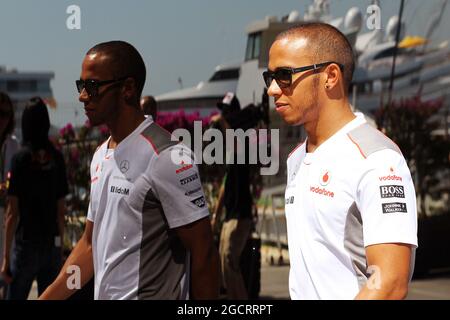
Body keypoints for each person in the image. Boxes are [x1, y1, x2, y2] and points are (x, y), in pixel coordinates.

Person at [39, 41, 219, 300]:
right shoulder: (101, 154)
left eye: (92, 86)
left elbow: (204, 254)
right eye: (81, 86)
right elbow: (90, 245)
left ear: (128, 88)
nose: (82, 96)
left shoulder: (168, 157)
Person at [264, 23, 418, 299]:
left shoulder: (378, 160)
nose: (273, 89)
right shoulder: (296, 158)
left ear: (330, 76)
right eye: (270, 77)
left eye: (285, 75)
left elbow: (390, 282)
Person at [1, 97, 68, 300]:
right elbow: (61, 210)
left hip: (25, 244)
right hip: (51, 244)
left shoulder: (20, 159)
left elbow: (12, 212)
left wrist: (5, 258)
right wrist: (61, 247)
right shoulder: (57, 158)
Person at [211, 93, 254, 300]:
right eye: (222, 111)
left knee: (229, 261)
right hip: (230, 215)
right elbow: (225, 185)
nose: (222, 115)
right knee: (224, 265)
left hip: (240, 214)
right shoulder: (229, 149)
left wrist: (223, 122)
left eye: (227, 111)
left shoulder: (243, 139)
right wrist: (216, 216)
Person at [0, 92, 20, 298]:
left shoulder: (13, 144)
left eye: (5, 114)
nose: (2, 119)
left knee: (6, 271)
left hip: (7, 214)